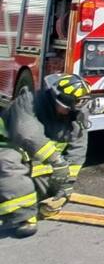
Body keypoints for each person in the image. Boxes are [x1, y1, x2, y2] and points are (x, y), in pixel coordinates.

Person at [0, 74, 90, 238]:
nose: (70, 112)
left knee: (50, 184)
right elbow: (28, 134)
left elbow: (77, 149)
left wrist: (66, 185)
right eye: (67, 107)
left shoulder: (76, 111)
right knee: (8, 163)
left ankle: (27, 203)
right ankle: (22, 218)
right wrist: (57, 161)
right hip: (6, 145)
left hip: (33, 157)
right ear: (55, 98)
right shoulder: (28, 102)